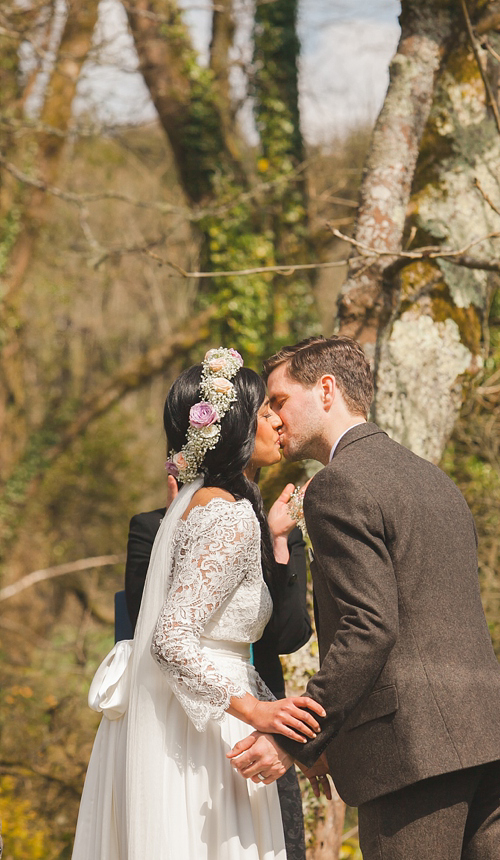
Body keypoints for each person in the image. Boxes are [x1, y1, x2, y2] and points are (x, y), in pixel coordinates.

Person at [229, 335, 500, 860]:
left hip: (414, 759)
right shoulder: (436, 481)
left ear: (326, 390)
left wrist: (296, 735)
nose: (274, 419)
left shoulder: (337, 485)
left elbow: (369, 628)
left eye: (279, 401)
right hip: (497, 742)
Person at [72, 348, 325, 860]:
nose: (278, 421)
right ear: (234, 427)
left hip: (180, 720)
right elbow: (170, 640)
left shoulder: (192, 503)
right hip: (207, 736)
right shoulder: (228, 515)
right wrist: (256, 709)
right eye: (264, 412)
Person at [123, 483, 312, 859]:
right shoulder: (152, 526)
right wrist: (179, 536)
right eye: (264, 418)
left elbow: (290, 635)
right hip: (176, 720)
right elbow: (145, 625)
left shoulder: (280, 527)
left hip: (262, 726)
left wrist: (276, 540)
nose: (275, 422)